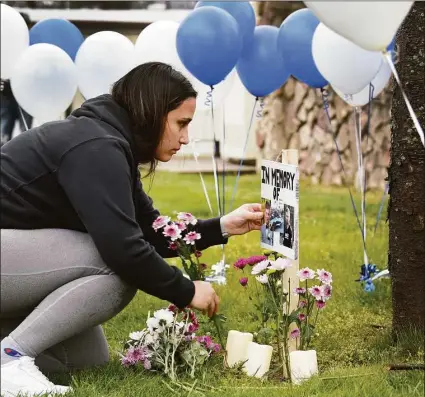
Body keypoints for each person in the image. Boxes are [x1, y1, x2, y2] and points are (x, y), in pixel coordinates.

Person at [0, 62, 264, 397]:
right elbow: (125, 249)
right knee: (117, 265)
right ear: (153, 113)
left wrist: (222, 227)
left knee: (86, 360)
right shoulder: (95, 146)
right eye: (181, 124)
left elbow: (153, 233)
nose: (185, 138)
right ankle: (10, 359)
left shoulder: (110, 144)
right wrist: (185, 290)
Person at [0, 12, 33, 146]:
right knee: (4, 129)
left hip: (26, 94)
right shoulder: (5, 43)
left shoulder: (32, 44)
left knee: (26, 132)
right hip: (7, 93)